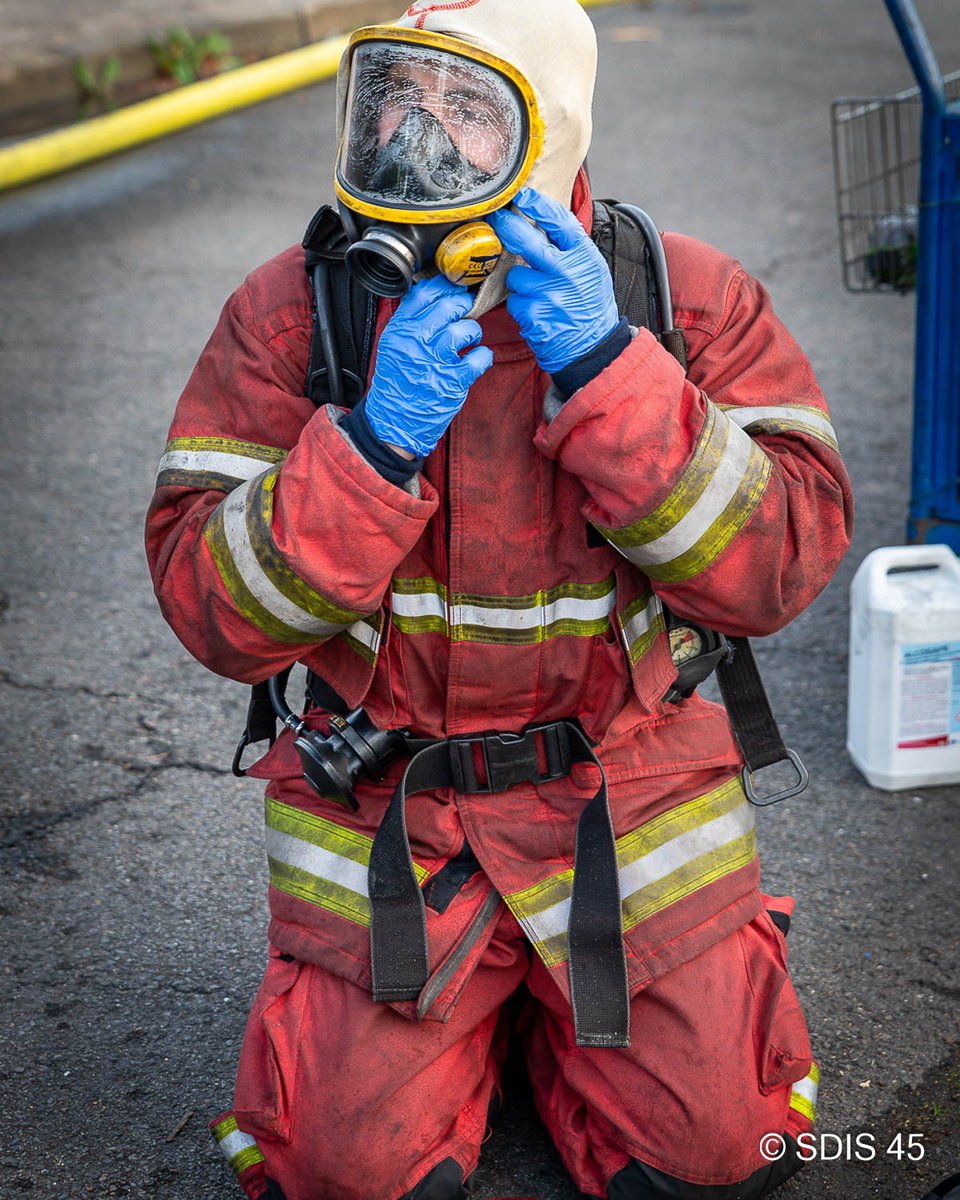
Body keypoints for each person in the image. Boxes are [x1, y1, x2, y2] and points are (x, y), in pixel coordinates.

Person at [145, 1, 853, 1197]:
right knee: (344, 1173)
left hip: (626, 801)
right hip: (398, 810)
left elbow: (779, 564)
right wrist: (369, 449)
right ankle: (487, 1017)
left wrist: (611, 374)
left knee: (720, 1158)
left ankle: (625, 997)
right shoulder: (293, 312)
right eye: (396, 101)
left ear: (554, 130)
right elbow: (210, 609)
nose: (416, 138)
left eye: (467, 107)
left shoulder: (680, 298)